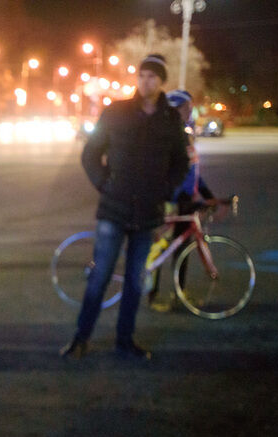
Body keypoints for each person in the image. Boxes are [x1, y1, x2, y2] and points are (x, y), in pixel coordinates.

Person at [60, 54, 189, 360]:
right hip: (114, 209)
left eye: (153, 77)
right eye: (143, 75)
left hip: (147, 213)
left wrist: (165, 191)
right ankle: (81, 337)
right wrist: (105, 184)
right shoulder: (116, 112)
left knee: (135, 281)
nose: (147, 81)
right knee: (100, 276)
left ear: (161, 82)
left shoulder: (169, 120)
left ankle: (124, 340)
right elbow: (90, 154)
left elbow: (180, 162)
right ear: (138, 79)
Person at [147, 89, 218, 311]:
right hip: (169, 202)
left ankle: (180, 293)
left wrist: (208, 196)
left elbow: (192, 171)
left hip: (185, 201)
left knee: (181, 250)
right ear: (176, 109)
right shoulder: (166, 135)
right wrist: (173, 199)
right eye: (187, 107)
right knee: (159, 249)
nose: (190, 111)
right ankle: (152, 296)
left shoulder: (184, 134)